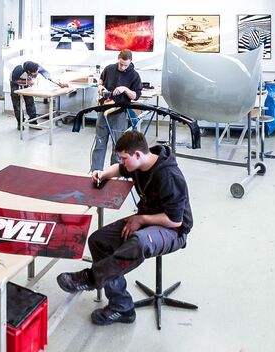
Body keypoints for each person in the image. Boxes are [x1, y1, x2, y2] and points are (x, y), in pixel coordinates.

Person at [57, 130, 193, 326]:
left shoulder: (168, 175)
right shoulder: (139, 163)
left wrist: (141, 220)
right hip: (148, 219)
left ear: (137, 154)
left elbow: (175, 221)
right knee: (99, 241)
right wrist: (103, 174)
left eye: (124, 158)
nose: (122, 163)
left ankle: (91, 277)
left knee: (137, 243)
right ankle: (122, 307)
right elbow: (120, 170)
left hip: (173, 230)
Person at [92, 50, 143, 172]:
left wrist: (125, 89)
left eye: (125, 65)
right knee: (99, 143)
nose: (122, 67)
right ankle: (96, 171)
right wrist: (100, 86)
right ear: (118, 59)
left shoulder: (134, 75)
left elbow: (135, 96)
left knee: (117, 146)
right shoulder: (109, 69)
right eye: (120, 64)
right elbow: (101, 80)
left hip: (119, 113)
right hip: (104, 111)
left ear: (130, 62)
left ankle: (113, 172)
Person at [9, 61, 67, 130]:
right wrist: (27, 82)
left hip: (27, 81)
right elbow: (14, 80)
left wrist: (59, 84)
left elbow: (48, 76)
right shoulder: (18, 70)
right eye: (34, 74)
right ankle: (20, 123)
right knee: (17, 105)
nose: (36, 75)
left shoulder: (37, 67)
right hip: (15, 83)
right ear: (28, 71)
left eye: (37, 72)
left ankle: (33, 123)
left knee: (30, 102)